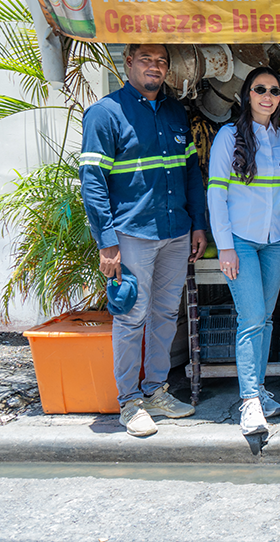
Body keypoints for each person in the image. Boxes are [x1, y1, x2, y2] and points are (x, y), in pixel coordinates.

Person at [79, 43, 207, 437]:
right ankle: (130, 402)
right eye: (147, 59)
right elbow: (92, 182)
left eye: (162, 61)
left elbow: (190, 173)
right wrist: (106, 242)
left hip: (175, 231)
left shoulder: (174, 112)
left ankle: (155, 391)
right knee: (131, 317)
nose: (155, 66)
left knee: (165, 315)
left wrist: (198, 225)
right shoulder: (105, 113)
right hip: (131, 233)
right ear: (129, 62)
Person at [208, 67, 280, 435]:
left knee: (267, 317)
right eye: (260, 89)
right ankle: (249, 403)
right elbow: (216, 193)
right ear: (247, 94)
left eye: (275, 91)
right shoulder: (227, 136)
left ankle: (259, 390)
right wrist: (225, 247)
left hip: (277, 241)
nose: (268, 96)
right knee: (252, 317)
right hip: (241, 240)